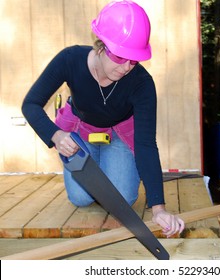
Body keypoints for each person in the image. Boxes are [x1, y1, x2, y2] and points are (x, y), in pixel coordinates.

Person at [22, 0, 184, 237]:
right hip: (79, 132)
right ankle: (92, 166)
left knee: (124, 199)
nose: (127, 67)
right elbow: (31, 104)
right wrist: (56, 135)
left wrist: (158, 208)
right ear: (100, 46)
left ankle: (107, 168)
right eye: (120, 57)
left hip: (119, 134)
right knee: (80, 198)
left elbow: (146, 145)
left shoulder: (142, 83)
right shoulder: (70, 60)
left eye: (134, 60)